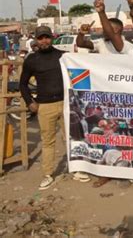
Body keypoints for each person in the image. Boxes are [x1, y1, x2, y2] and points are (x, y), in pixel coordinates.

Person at [19, 26, 89, 190]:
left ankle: (77, 170)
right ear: (36, 39)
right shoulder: (31, 60)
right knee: (48, 141)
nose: (44, 41)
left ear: (52, 38)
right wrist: (30, 102)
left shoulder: (63, 56)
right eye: (41, 38)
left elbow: (80, 71)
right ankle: (48, 174)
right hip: (45, 106)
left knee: (72, 138)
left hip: (66, 104)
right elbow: (23, 84)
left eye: (47, 37)